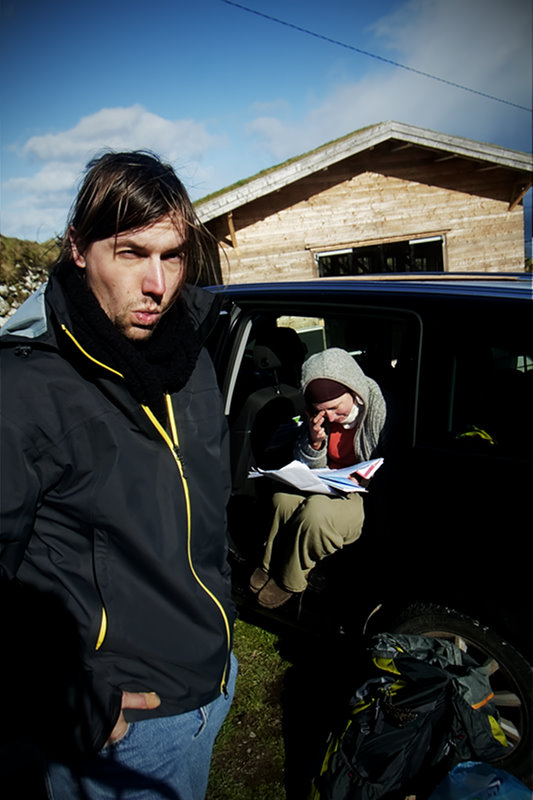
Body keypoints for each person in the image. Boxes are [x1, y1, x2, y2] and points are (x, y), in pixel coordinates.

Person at [0, 151, 236, 800]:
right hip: (127, 723)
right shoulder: (24, 388)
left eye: (173, 256)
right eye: (131, 253)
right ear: (78, 248)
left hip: (213, 677)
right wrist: (67, 692)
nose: (158, 283)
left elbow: (200, 512)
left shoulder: (190, 357)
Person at [250, 347, 386, 609]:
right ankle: (269, 564)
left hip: (363, 496)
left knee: (316, 513)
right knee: (282, 499)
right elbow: (308, 464)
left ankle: (290, 579)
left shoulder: (379, 411)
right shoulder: (320, 417)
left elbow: (390, 463)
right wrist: (315, 443)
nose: (331, 417)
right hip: (329, 483)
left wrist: (365, 480)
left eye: (335, 408)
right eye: (322, 411)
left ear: (353, 390)